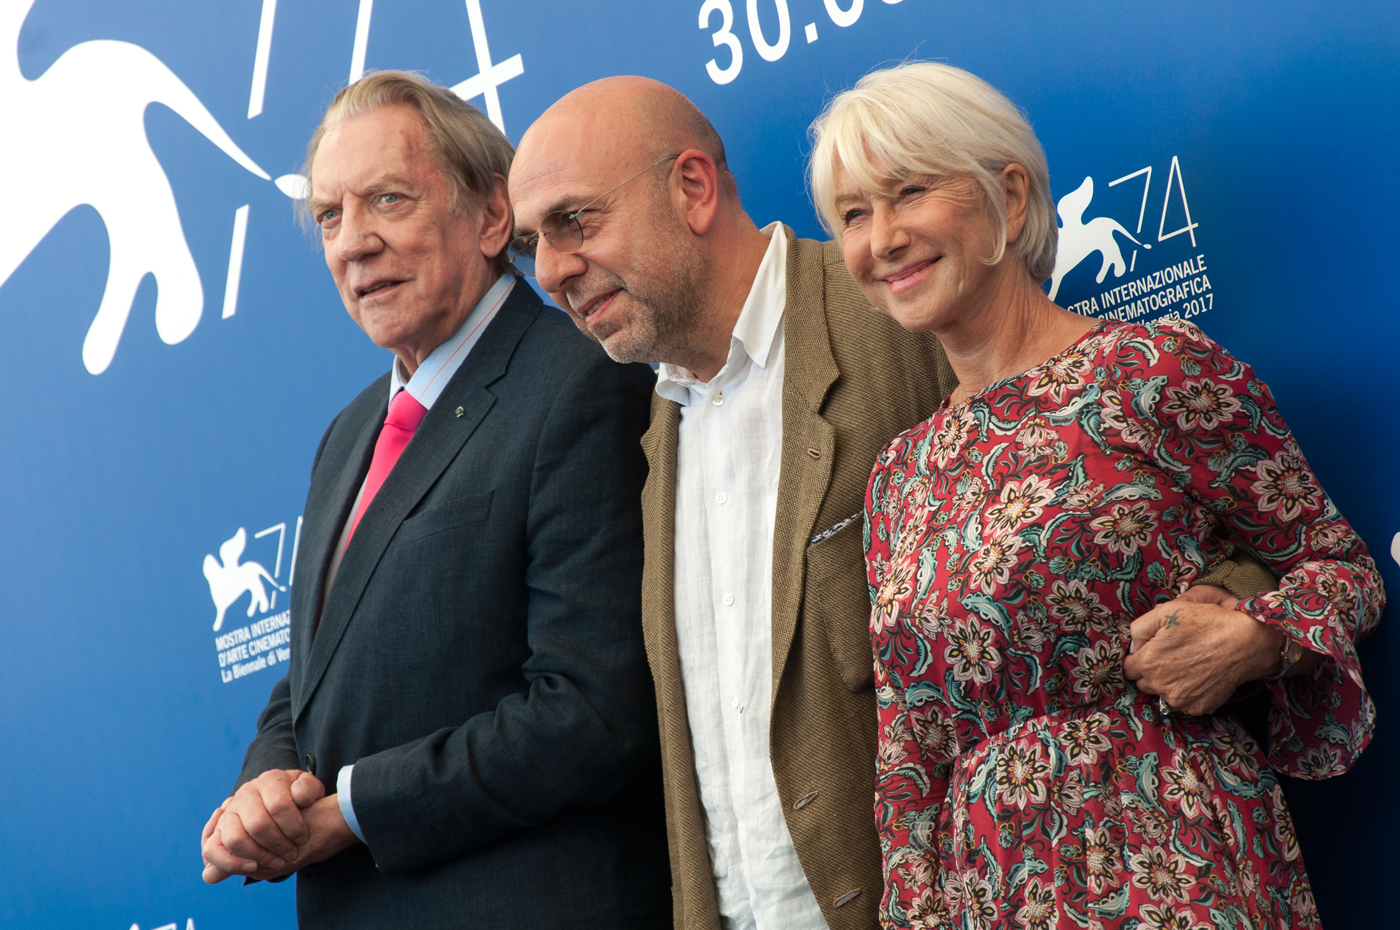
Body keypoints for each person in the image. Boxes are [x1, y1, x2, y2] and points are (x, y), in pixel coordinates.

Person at [507, 76, 1272, 930]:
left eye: (575, 220)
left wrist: (1235, 617)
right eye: (531, 243)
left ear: (691, 188)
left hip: (1118, 876)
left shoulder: (902, 306)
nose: (549, 270)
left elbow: (1129, 502)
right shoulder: (653, 424)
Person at [808, 61, 1384, 929]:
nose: (881, 237)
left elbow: (1341, 568)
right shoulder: (898, 476)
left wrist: (1256, 637)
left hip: (1171, 868)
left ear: (1007, 198)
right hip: (993, 894)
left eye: (909, 192)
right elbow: (909, 763)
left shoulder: (1151, 373)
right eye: (854, 213)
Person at [197, 71, 670, 929]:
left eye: (387, 200)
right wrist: (264, 789)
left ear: (492, 216)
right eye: (331, 217)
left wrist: (351, 811)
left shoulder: (579, 385)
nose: (353, 244)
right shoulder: (348, 435)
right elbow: (318, 674)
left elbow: (593, 710)